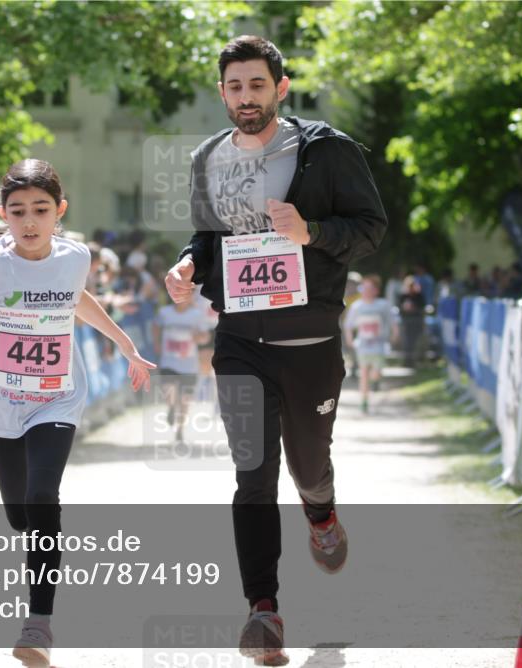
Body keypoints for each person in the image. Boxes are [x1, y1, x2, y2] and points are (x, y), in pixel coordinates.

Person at [163, 35, 388, 665]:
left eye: (257, 85)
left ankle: (321, 512)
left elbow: (371, 228)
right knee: (252, 476)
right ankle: (264, 611)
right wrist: (186, 265)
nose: (245, 98)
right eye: (234, 87)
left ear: (280, 88)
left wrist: (310, 230)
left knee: (308, 465)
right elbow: (207, 236)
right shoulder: (209, 157)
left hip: (310, 341)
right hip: (239, 340)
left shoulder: (327, 150)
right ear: (222, 93)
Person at [0, 158, 156, 667]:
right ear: (2, 214)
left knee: (42, 496)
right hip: (0, 402)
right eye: (17, 211)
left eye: (40, 209)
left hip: (57, 397)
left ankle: (38, 625)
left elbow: (78, 299)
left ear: (60, 211)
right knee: (21, 516)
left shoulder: (75, 256)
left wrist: (125, 345)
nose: (29, 221)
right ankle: (36, 571)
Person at [151, 291, 212, 443]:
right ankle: (171, 407)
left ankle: (180, 430)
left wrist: (199, 337)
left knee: (185, 401)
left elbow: (206, 337)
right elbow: (156, 326)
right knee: (169, 389)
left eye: (185, 296)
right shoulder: (165, 313)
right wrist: (157, 343)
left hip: (189, 365)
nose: (180, 300)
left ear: (190, 298)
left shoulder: (196, 315)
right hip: (169, 361)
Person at [343, 275, 395, 413]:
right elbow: (348, 325)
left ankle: (376, 379)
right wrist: (349, 339)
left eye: (369, 288)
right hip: (363, 346)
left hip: (379, 345)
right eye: (363, 287)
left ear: (376, 290)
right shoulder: (356, 306)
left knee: (375, 374)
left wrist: (395, 334)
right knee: (364, 373)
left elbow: (392, 321)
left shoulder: (383, 305)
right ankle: (364, 401)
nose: (366, 290)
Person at [396, 275, 426, 367]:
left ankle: (414, 360)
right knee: (407, 342)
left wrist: (413, 308)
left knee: (415, 342)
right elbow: (400, 309)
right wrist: (405, 309)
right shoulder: (403, 296)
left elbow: (422, 308)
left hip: (416, 322)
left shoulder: (419, 296)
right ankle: (407, 360)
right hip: (406, 322)